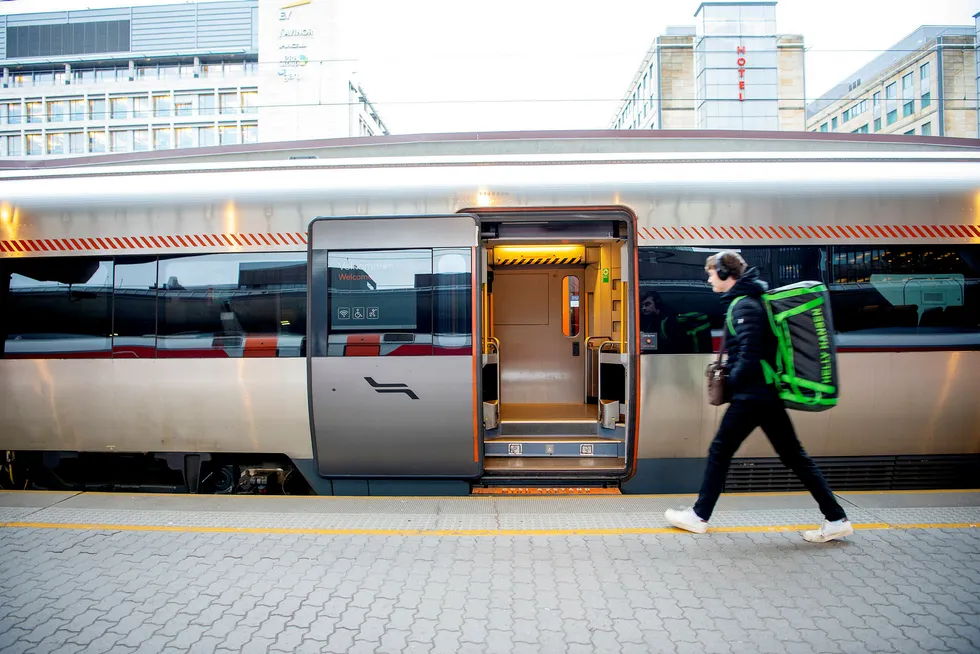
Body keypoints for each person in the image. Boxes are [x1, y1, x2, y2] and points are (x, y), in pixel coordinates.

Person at [664, 250, 853, 543]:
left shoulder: (744, 307)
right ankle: (836, 518)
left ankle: (699, 516)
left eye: (712, 272)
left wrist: (733, 384)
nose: (709, 277)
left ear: (727, 275)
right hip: (764, 395)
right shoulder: (750, 302)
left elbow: (751, 355)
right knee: (794, 457)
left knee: (720, 451)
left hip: (753, 396)